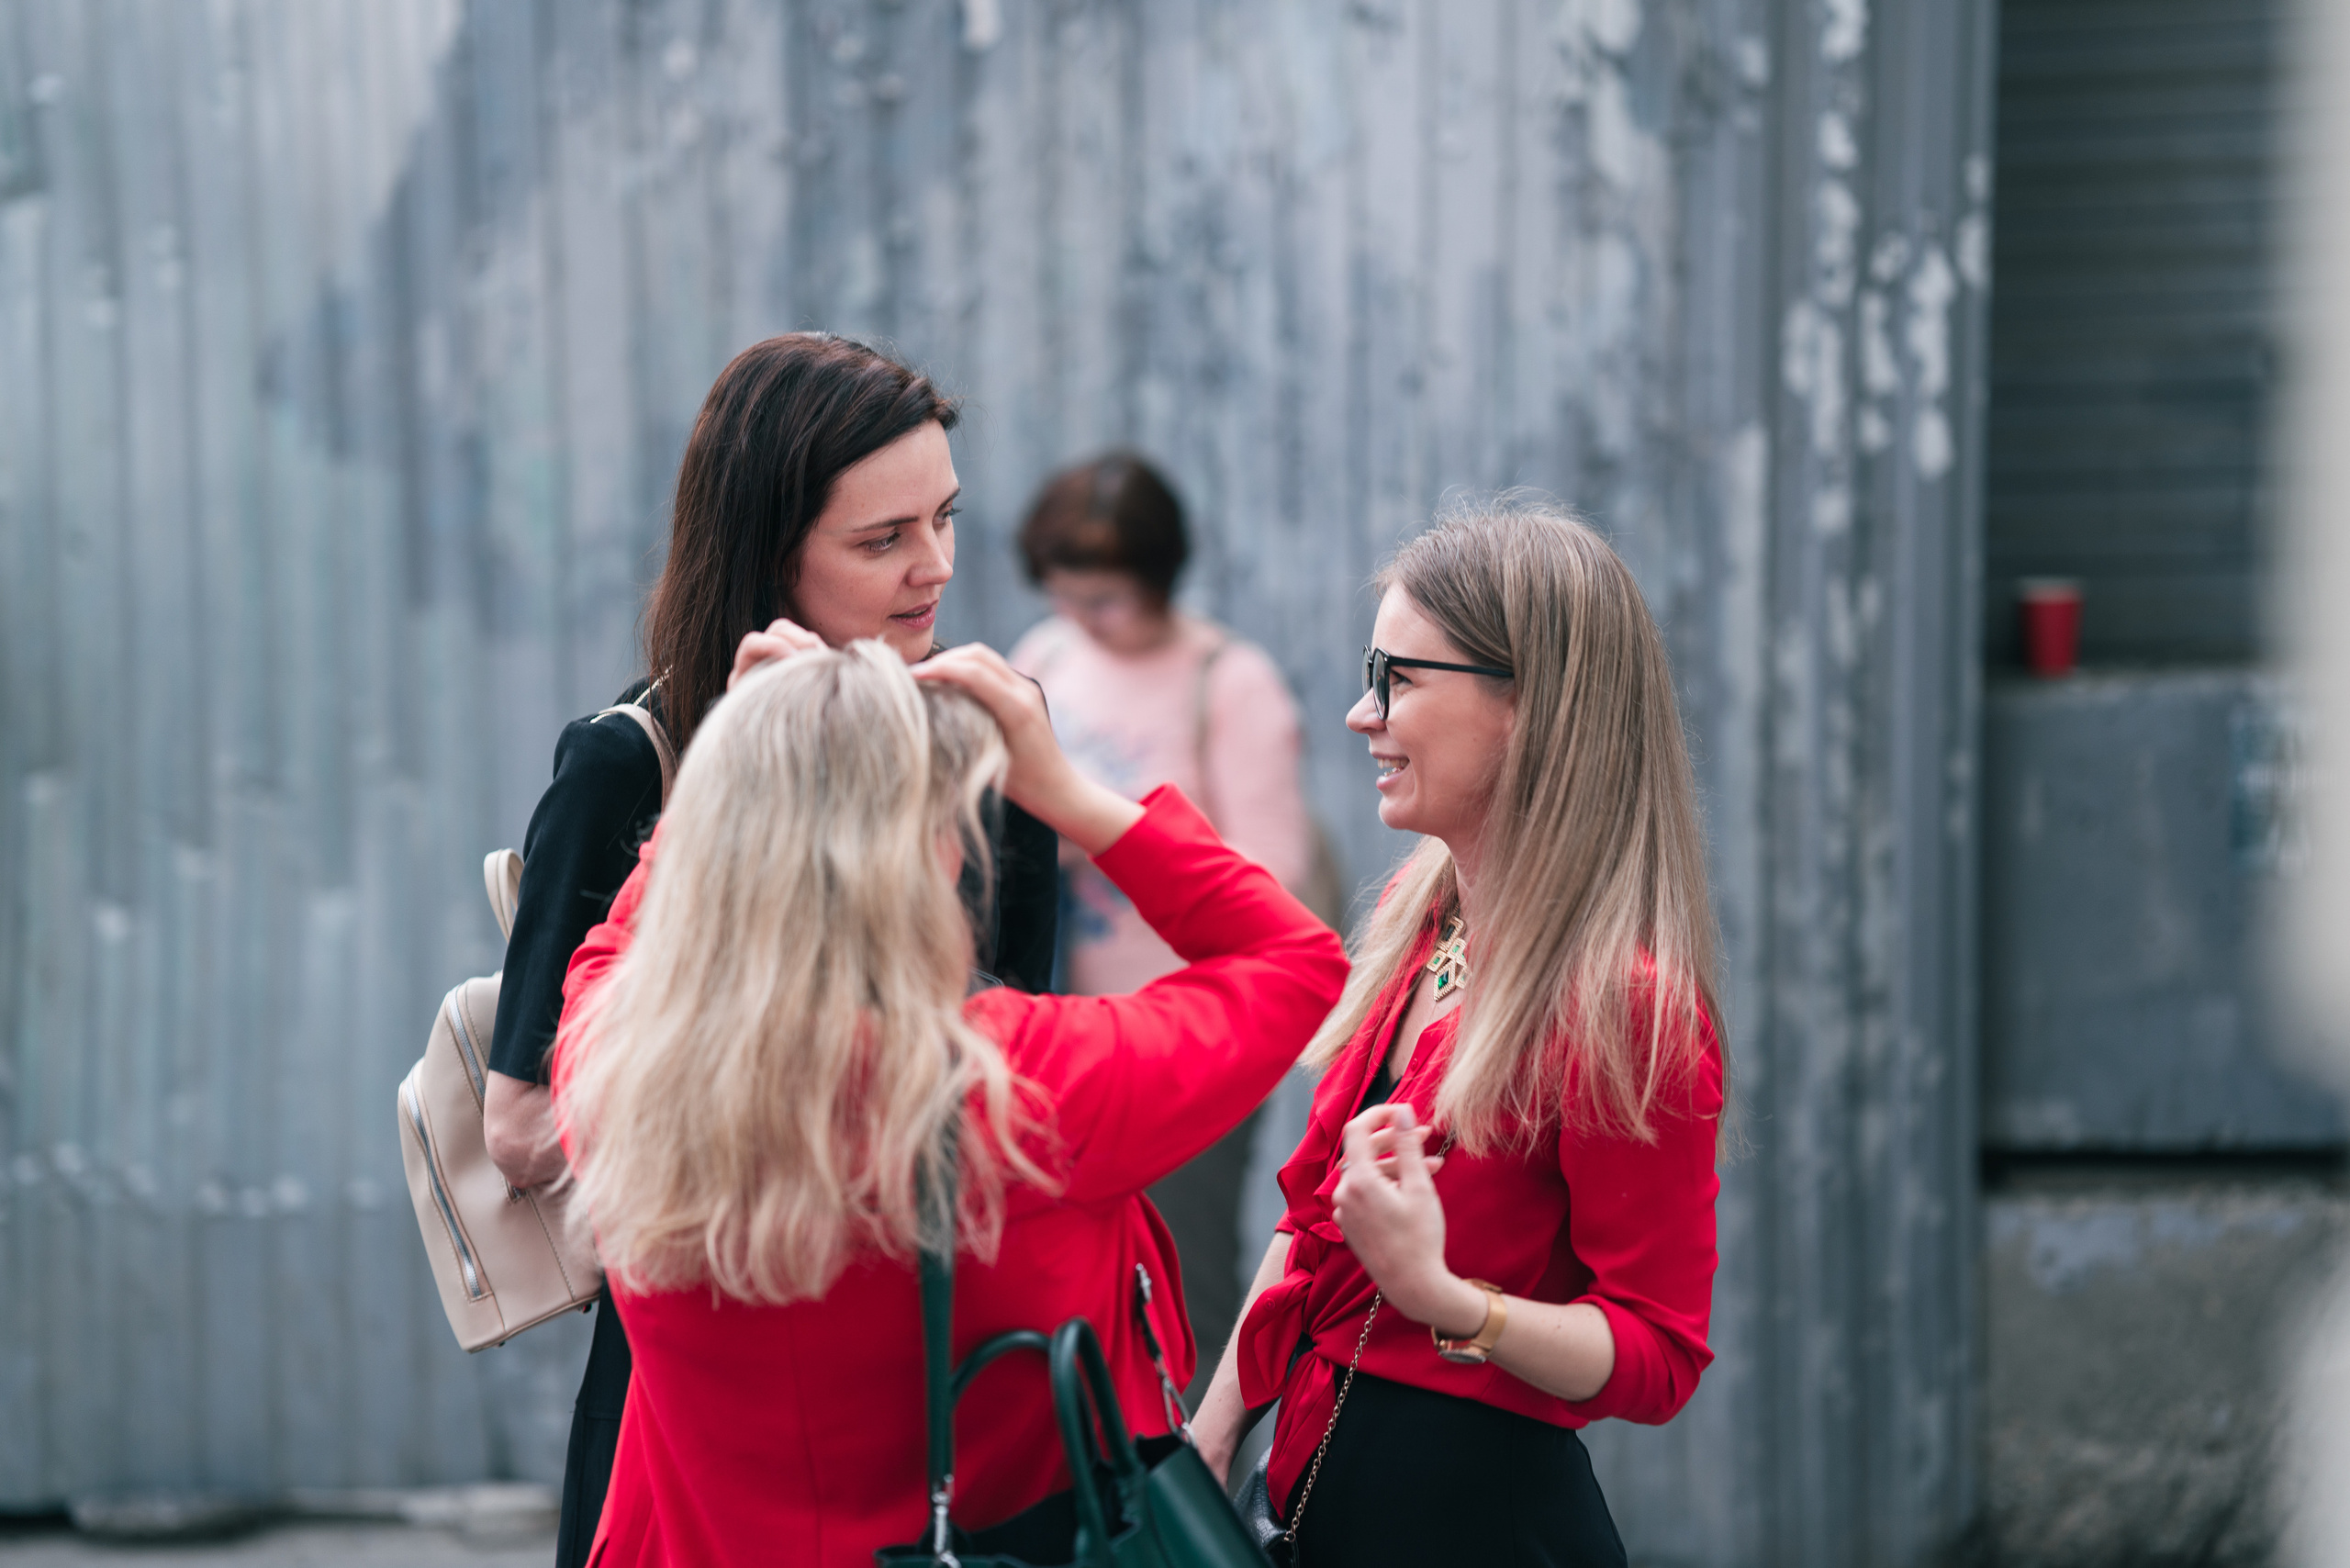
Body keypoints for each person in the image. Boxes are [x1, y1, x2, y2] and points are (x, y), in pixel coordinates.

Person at [547, 641, 1349, 1567]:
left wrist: (745, 766)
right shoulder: (1020, 1082)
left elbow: (615, 949)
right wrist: (1067, 791)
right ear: (931, 851)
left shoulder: (621, 1071)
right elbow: (1295, 961)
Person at [475, 333, 1059, 1568]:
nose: (936, 567)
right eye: (884, 539)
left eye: (946, 521)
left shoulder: (989, 745)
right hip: (697, 1386)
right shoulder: (634, 759)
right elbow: (522, 1128)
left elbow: (1033, 1078)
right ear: (770, 548)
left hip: (935, 1365)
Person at [1191, 498, 1728, 1567]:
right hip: (1302, 1493)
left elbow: (1656, 1353)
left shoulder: (1625, 1002)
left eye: (1399, 676)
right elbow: (1307, 1225)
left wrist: (1447, 1301)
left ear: (1530, 706)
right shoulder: (1419, 913)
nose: (1361, 712)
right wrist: (1209, 1442)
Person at [1007, 453, 1320, 1383]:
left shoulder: (1228, 681)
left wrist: (1093, 828)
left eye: (1103, 599)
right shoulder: (1046, 657)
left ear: (1156, 578)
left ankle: (1196, 1492)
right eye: (1066, 596)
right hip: (1059, 1030)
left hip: (1189, 1029)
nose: (1082, 618)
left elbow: (1271, 880)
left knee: (1183, 1266)